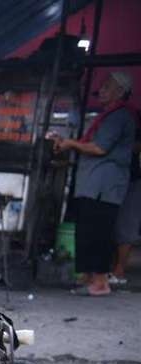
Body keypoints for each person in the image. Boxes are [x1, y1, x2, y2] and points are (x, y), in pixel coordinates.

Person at [49, 72, 136, 297]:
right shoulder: (106, 116)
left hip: (104, 186)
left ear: (119, 91)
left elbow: (99, 148)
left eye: (107, 86)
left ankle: (100, 282)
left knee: (98, 231)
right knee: (87, 230)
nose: (102, 90)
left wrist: (70, 143)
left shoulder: (119, 116)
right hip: (93, 185)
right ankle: (89, 278)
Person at [111, 121, 141, 289]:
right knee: (118, 226)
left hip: (133, 181)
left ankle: (119, 271)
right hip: (121, 180)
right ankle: (115, 269)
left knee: (126, 226)